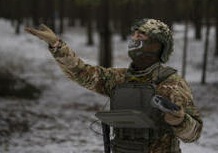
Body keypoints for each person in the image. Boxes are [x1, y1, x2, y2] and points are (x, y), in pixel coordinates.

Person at [25, 18, 203, 153]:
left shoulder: (172, 83)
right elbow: (81, 73)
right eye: (134, 34)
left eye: (141, 35)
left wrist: (181, 121)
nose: (134, 38)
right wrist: (57, 45)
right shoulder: (119, 79)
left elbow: (194, 133)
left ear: (158, 44)